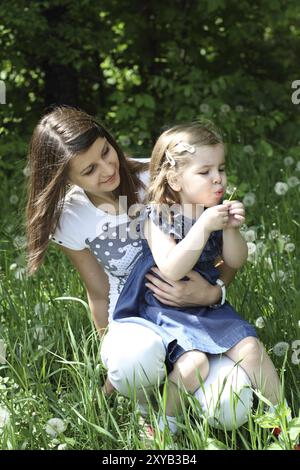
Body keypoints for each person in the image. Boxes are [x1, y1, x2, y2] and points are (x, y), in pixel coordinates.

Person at [26, 106, 253, 433]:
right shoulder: (70, 216)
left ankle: (180, 391)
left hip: (198, 316)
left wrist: (215, 291)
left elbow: (217, 247)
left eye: (106, 152)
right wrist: (115, 367)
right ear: (65, 179)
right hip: (135, 322)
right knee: (134, 361)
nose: (107, 169)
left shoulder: (160, 176)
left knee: (232, 410)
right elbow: (99, 293)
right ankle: (146, 401)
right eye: (89, 169)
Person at [113, 121, 282, 435]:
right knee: (193, 365)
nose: (217, 178)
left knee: (251, 347)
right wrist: (204, 226)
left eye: (221, 168)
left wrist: (230, 228)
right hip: (167, 311)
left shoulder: (212, 211)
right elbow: (172, 268)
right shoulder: (156, 216)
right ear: (175, 179)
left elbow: (235, 261)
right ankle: (163, 423)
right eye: (205, 172)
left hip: (206, 306)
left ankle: (283, 424)